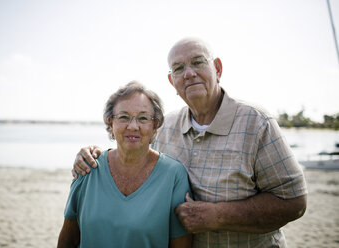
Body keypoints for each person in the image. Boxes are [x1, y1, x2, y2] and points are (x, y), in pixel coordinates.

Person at [72, 38, 308, 248]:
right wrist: (92, 155)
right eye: (178, 68)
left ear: (217, 68)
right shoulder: (166, 127)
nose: (188, 73)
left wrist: (218, 216)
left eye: (197, 62)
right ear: (171, 80)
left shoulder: (257, 123)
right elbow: (132, 151)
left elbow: (294, 202)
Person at [58, 82, 193, 248]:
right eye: (124, 117)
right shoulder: (88, 167)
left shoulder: (174, 175)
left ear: (154, 125)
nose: (133, 126)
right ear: (110, 123)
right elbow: (68, 240)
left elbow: (181, 244)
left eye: (143, 118)